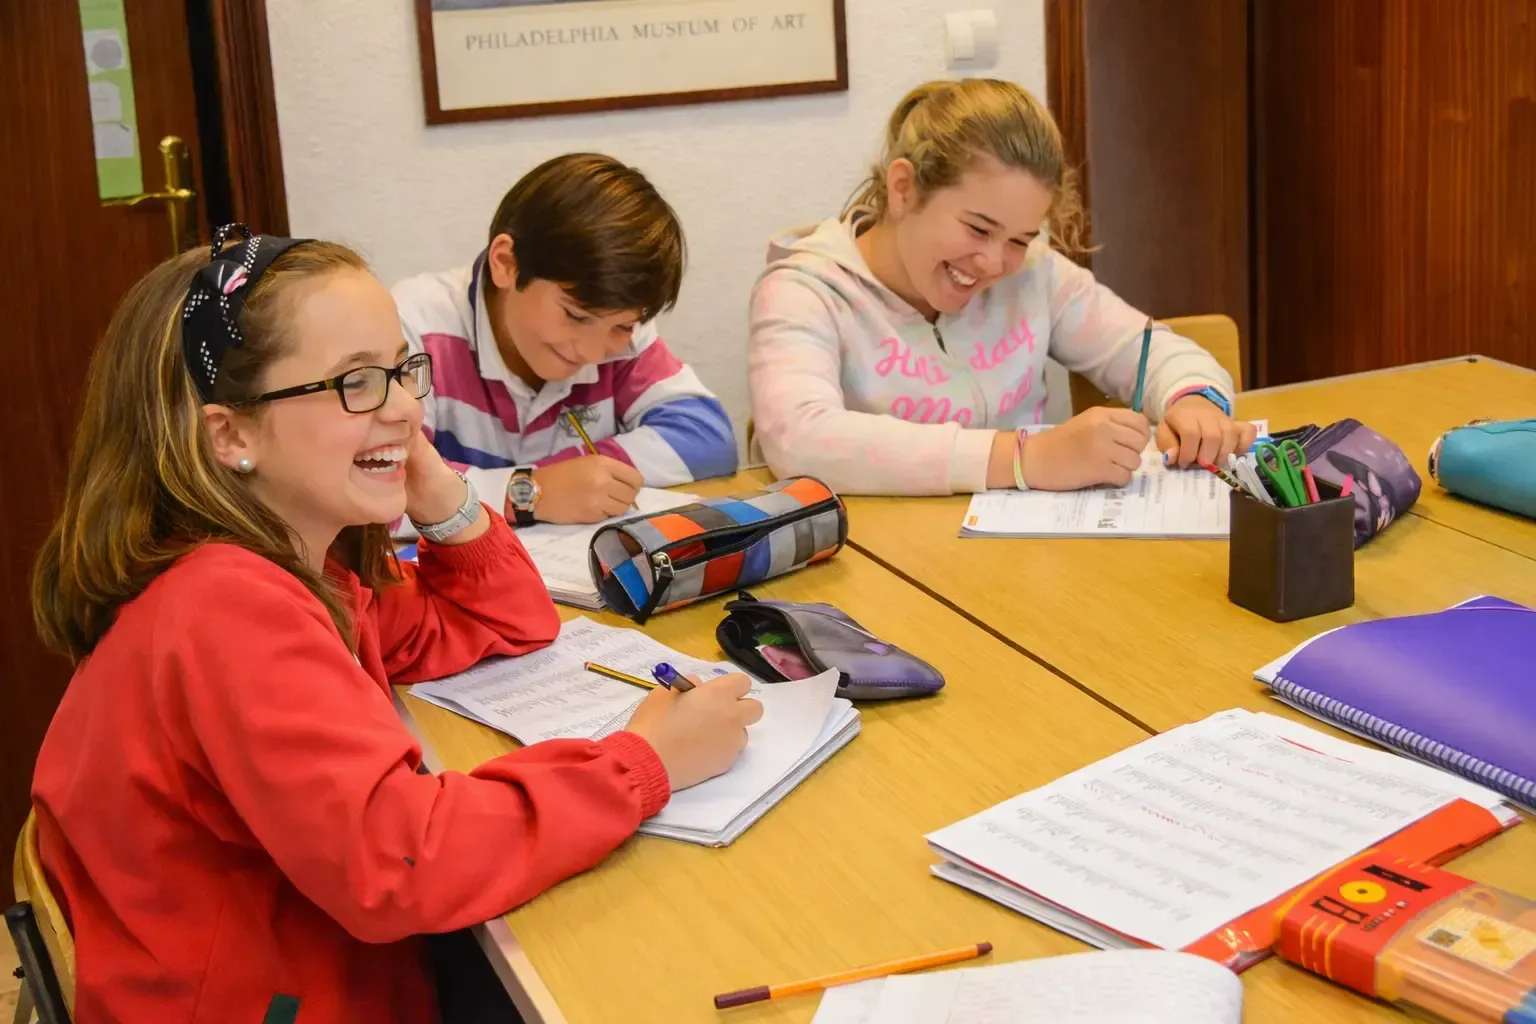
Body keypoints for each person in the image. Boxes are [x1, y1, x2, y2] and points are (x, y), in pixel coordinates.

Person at [29, 226, 761, 1023]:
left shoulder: (303, 566)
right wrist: (643, 763)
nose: (408, 407)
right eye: (357, 384)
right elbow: (403, 862)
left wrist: (436, 486)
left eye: (404, 371)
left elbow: (511, 620)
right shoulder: (227, 606)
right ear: (231, 434)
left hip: (307, 960)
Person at [748, 78, 1258, 496]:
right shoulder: (803, 290)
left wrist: (1194, 402)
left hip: (1017, 566)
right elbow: (801, 439)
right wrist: (1024, 459)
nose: (994, 262)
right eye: (977, 228)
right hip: (879, 574)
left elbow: (1149, 349)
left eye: (1020, 238)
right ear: (903, 190)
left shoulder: (1034, 273)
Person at [393, 153, 738, 529]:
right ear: (506, 263)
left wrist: (576, 475)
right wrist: (526, 492)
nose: (592, 352)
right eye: (575, 316)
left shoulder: (619, 337)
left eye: (622, 326)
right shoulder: (414, 327)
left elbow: (707, 437)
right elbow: (385, 487)